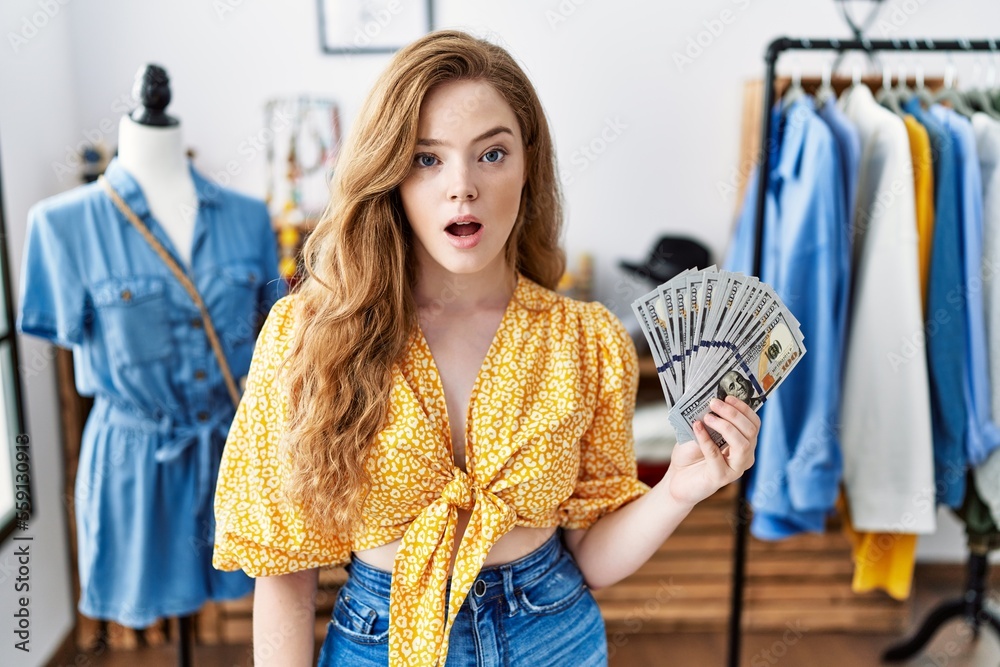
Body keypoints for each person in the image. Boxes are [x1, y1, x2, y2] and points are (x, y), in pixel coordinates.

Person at [212, 29, 760, 667]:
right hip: (377, 641)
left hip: (553, 632)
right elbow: (282, 569)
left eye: (491, 154)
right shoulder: (308, 334)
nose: (462, 186)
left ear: (528, 165)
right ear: (388, 174)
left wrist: (677, 490)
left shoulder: (586, 340)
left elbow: (593, 558)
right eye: (426, 158)